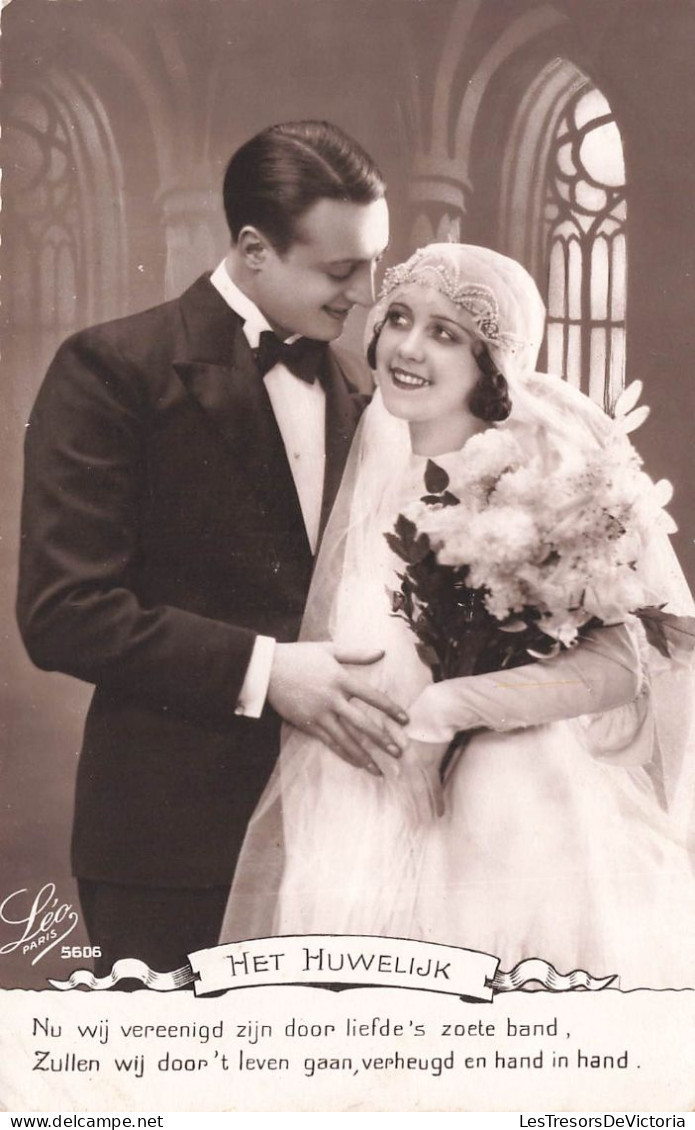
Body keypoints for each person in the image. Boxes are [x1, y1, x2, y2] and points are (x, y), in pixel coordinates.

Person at [220, 243, 695, 990]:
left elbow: (620, 664)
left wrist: (449, 707)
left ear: (492, 368)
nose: (407, 347)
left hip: (501, 810)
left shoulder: (543, 476)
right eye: (399, 319)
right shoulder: (367, 453)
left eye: (446, 334)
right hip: (354, 805)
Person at [16, 120, 410, 978]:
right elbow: (63, 613)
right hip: (171, 843)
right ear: (253, 249)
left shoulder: (359, 386)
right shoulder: (110, 369)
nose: (367, 296)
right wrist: (270, 673)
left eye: (374, 263)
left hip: (340, 839)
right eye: (342, 270)